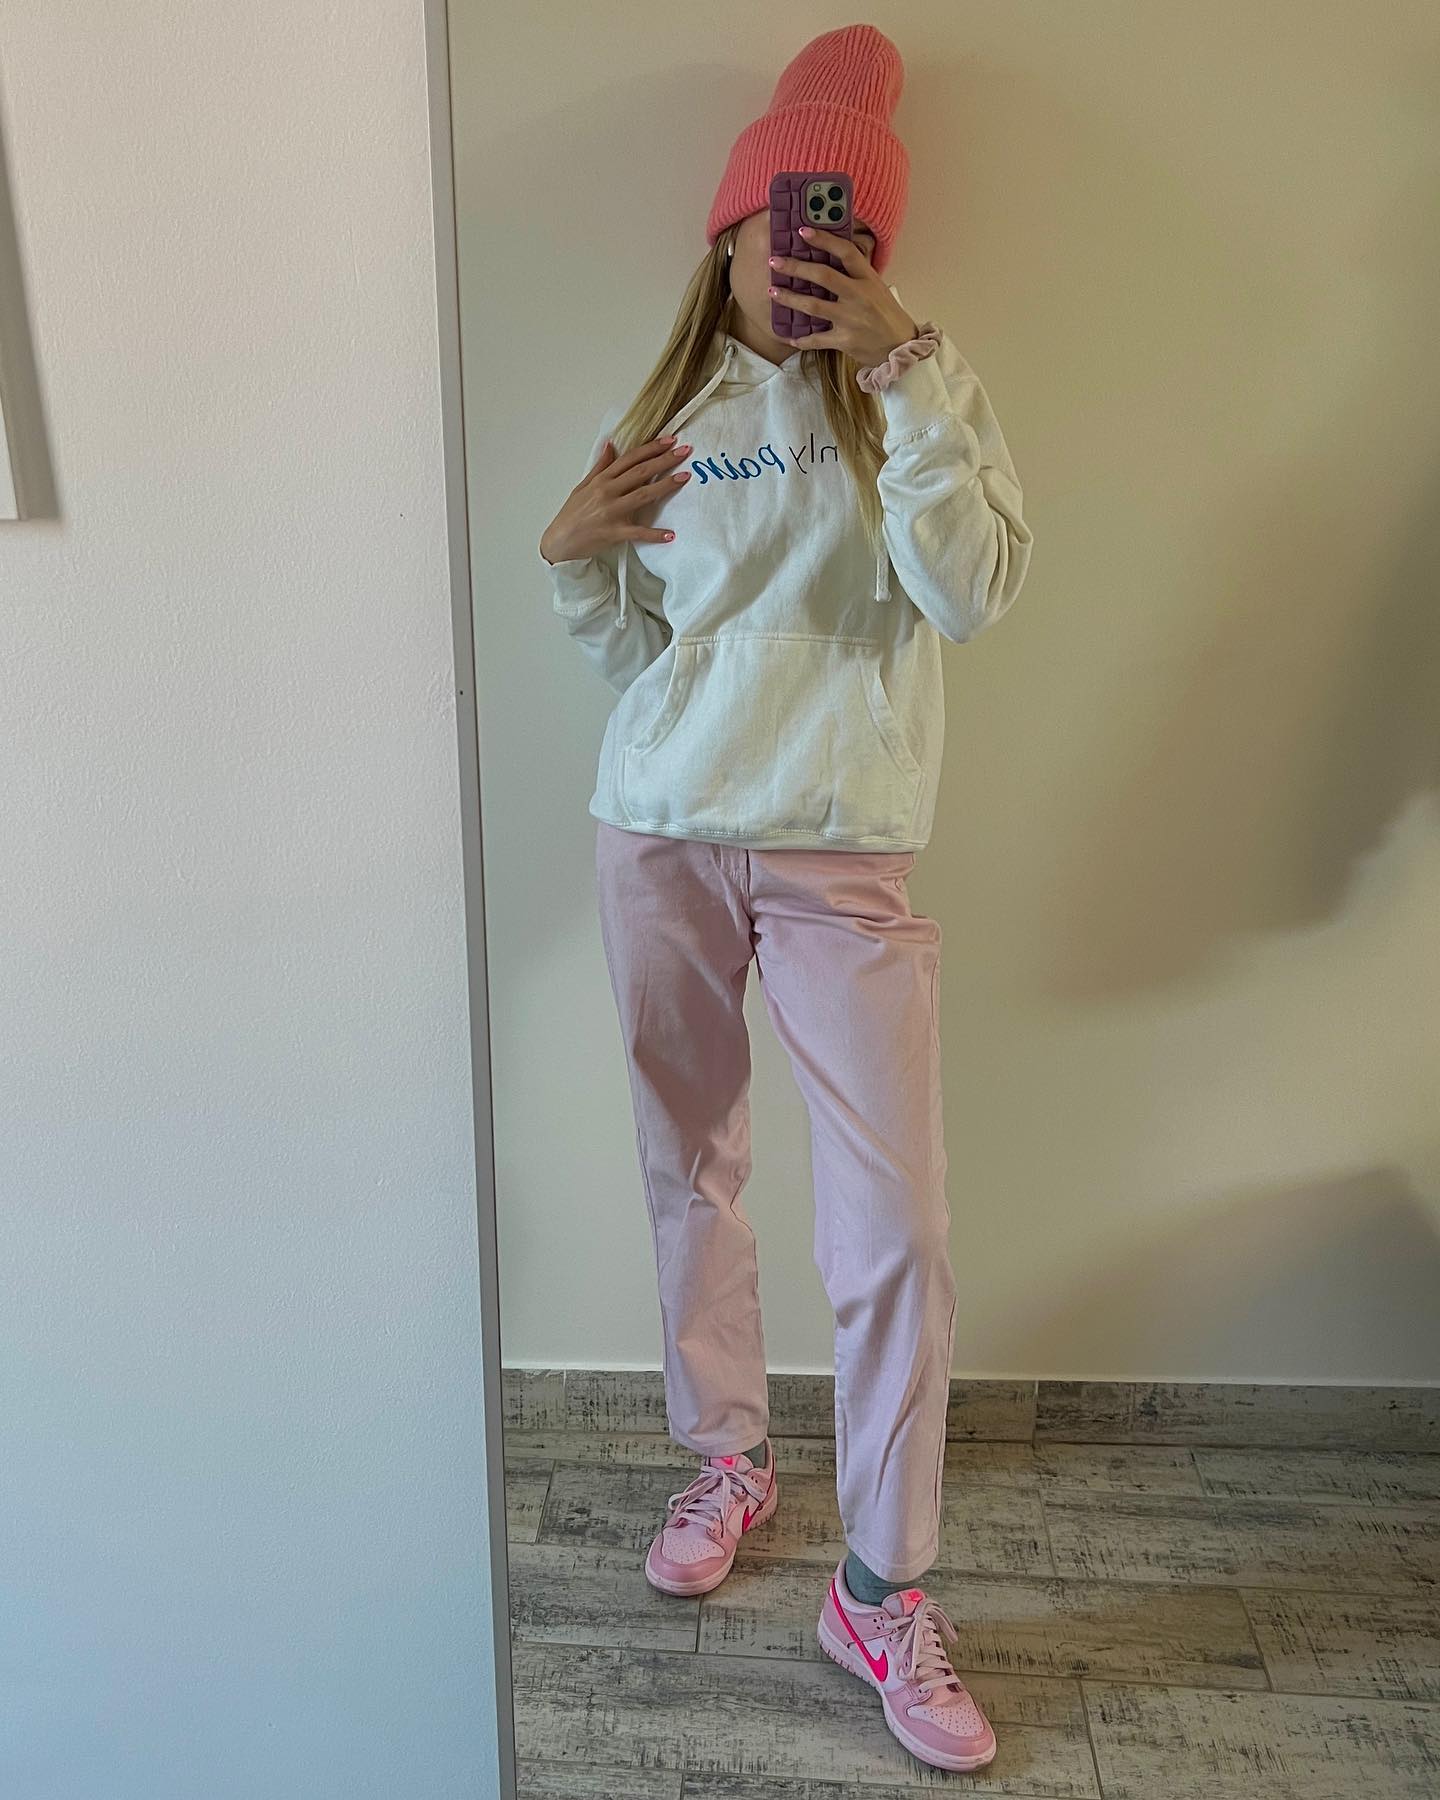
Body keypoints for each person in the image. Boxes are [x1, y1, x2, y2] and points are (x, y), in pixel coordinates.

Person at [538, 22, 1032, 1777]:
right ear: (732, 229)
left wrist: (907, 370)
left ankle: (882, 1586)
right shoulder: (670, 415)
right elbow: (638, 659)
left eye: (853, 230)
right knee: (692, 1163)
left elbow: (969, 595)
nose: (816, 254)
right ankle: (727, 1457)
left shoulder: (918, 401)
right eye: (791, 221)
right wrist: (571, 555)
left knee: (896, 1227)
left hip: (841, 857)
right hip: (659, 833)